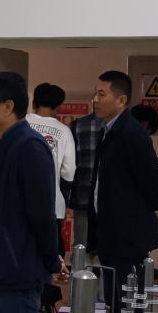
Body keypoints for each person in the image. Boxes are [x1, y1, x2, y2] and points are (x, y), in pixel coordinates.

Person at [0, 71, 66, 313]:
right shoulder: (1, 146)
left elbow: (42, 215)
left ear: (8, 106)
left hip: (15, 272)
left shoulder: (29, 146)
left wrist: (52, 261)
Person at [87, 71, 158, 313]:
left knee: (126, 300)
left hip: (127, 233)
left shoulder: (130, 133)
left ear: (121, 100)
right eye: (95, 94)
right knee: (113, 297)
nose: (95, 100)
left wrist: (155, 206)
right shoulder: (109, 130)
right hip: (111, 230)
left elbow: (152, 179)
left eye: (102, 94)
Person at [25, 83, 76, 313]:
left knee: (24, 252)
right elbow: (69, 172)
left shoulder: (20, 125)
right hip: (52, 206)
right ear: (58, 107)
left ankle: (31, 305)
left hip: (20, 207)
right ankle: (49, 305)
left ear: (34, 101)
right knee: (51, 255)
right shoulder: (63, 131)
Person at [68, 103, 103, 250]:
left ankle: (79, 264)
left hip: (82, 192)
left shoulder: (77, 125)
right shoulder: (116, 127)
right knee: (106, 246)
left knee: (81, 244)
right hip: (109, 196)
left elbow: (70, 163)